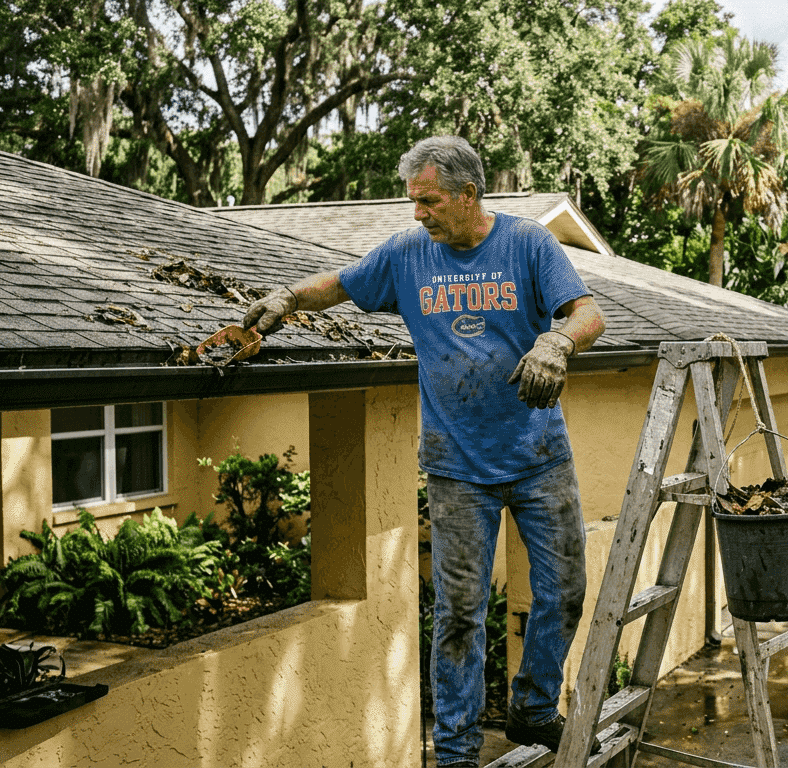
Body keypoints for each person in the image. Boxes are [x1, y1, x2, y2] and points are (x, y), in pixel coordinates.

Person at [242, 136, 606, 768]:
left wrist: (558, 343)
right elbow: (343, 283)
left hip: (538, 456)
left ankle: (534, 707)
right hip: (456, 468)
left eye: (429, 201)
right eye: (414, 202)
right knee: (461, 614)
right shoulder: (411, 255)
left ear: (469, 195)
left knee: (564, 592)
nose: (418, 214)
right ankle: (459, 750)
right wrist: (288, 298)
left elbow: (588, 313)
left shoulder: (528, 244)